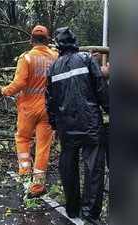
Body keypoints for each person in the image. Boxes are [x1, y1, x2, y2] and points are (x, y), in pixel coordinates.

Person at [46, 27, 109, 224]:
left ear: (58, 46)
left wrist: (55, 124)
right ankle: (89, 214)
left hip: (66, 125)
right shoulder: (87, 59)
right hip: (90, 123)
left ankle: (72, 208)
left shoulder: (53, 68)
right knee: (93, 169)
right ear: (74, 42)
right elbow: (100, 87)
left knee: (68, 166)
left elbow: (49, 100)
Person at [0, 25, 58, 198]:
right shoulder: (55, 57)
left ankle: (24, 173)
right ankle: (37, 187)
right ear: (48, 40)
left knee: (22, 139)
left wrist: (3, 90)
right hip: (48, 109)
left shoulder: (26, 58)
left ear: (31, 40)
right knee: (43, 146)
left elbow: (19, 83)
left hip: (28, 109)